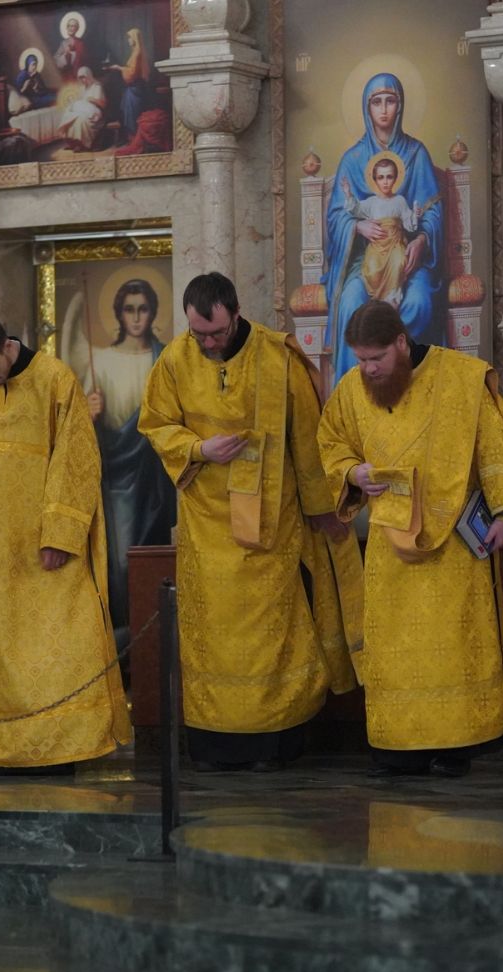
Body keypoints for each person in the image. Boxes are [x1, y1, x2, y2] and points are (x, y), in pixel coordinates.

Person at [316, 301, 503, 777]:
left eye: (376, 358)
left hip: (454, 546)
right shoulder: (351, 390)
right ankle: (397, 747)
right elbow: (331, 442)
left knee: (455, 648)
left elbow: (493, 446)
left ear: (401, 342)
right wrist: (353, 473)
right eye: (361, 359)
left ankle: (455, 749)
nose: (368, 369)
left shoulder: (461, 378)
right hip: (389, 547)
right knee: (395, 655)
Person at [139, 272, 361, 772]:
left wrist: (322, 510)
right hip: (205, 528)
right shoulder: (174, 360)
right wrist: (200, 448)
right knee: (212, 639)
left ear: (236, 314)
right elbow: (154, 424)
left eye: (216, 333)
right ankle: (214, 747)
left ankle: (272, 746)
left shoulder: (279, 358)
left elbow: (308, 440)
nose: (208, 343)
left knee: (269, 639)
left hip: (271, 527)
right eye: (199, 334)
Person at [0, 315, 131, 773]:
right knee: (6, 650)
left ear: (8, 346)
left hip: (49, 547)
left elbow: (76, 461)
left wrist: (59, 535)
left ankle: (61, 747)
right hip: (0, 544)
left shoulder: (55, 380)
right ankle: (9, 748)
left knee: (59, 647)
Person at [64, 278, 177, 651]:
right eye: (129, 309)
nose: (137, 317)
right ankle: (125, 643)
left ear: (153, 312)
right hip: (119, 478)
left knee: (155, 554)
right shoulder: (103, 361)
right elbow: (75, 427)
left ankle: (155, 642)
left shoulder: (163, 359)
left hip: (157, 476)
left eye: (143, 308)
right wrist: (89, 412)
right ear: (118, 314)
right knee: (123, 560)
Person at [323, 73, 446, 385]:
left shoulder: (416, 154)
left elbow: (431, 211)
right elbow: (337, 216)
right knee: (350, 303)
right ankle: (355, 391)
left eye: (390, 100)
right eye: (376, 102)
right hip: (364, 261)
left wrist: (422, 239)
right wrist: (357, 226)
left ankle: (404, 382)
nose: (383, 109)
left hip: (407, 260)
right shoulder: (352, 159)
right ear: (367, 108)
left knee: (419, 302)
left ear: (399, 105)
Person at [340, 153, 440, 310]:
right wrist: (348, 194)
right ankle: (378, 300)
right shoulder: (372, 203)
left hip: (395, 245)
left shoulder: (400, 201)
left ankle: (393, 298)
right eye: (381, 177)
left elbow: (410, 225)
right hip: (377, 247)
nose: (385, 182)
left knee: (399, 262)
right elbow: (356, 209)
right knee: (372, 269)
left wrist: (415, 215)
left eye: (389, 177)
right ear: (375, 179)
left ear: (395, 178)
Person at [107, 27, 152, 135]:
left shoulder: (137, 53)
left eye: (130, 38)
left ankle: (133, 136)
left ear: (135, 39)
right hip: (134, 88)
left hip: (135, 89)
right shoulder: (136, 52)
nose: (128, 40)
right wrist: (121, 68)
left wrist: (119, 68)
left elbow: (132, 73)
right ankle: (131, 135)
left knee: (133, 114)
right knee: (129, 112)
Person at [59, 66, 106, 152]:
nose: (82, 80)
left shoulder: (97, 86)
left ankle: (84, 144)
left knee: (81, 119)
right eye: (80, 78)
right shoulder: (82, 88)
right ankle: (74, 143)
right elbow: (80, 100)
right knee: (69, 115)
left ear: (88, 75)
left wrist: (93, 99)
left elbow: (103, 104)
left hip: (95, 112)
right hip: (84, 109)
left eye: (83, 77)